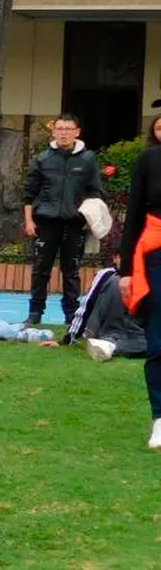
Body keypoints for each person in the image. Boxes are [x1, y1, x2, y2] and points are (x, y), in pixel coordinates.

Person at [23, 112, 103, 326]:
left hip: (75, 223)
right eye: (60, 129)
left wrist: (89, 220)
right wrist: (29, 221)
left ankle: (71, 315)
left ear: (77, 132)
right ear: (54, 131)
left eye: (68, 129)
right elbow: (29, 192)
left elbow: (96, 191)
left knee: (71, 270)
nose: (64, 133)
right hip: (46, 222)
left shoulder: (88, 159)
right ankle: (35, 313)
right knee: (40, 268)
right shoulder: (43, 158)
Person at [117, 123, 161, 447]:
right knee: (158, 340)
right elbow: (133, 214)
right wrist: (127, 272)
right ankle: (160, 418)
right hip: (154, 254)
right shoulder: (148, 161)